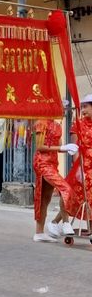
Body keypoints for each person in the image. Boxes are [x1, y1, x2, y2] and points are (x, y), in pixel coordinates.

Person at [32, 107, 78, 242]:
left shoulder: (57, 125)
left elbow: (58, 146)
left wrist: (69, 148)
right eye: (62, 107)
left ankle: (39, 232)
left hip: (52, 164)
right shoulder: (41, 122)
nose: (64, 111)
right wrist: (62, 148)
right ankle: (65, 223)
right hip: (42, 163)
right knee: (65, 188)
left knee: (45, 199)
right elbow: (39, 146)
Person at [65, 94, 92, 228]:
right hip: (83, 165)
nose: (83, 110)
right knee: (75, 196)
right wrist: (79, 170)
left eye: (85, 107)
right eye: (82, 107)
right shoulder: (78, 124)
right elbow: (75, 149)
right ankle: (58, 223)